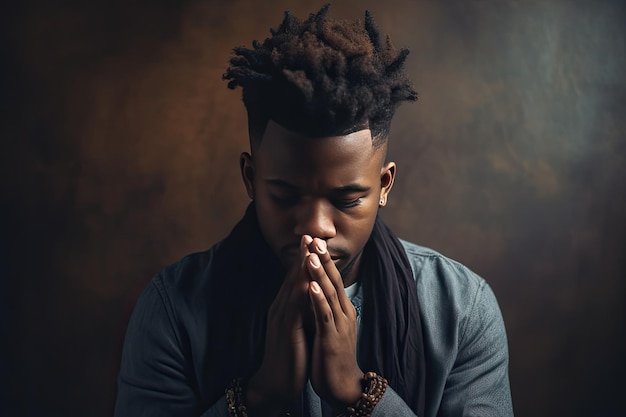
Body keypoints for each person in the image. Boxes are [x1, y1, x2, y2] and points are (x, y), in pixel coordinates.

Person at [114, 5, 513, 417]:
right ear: (250, 178)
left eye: (346, 200)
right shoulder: (172, 310)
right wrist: (260, 397)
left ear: (384, 186)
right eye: (286, 196)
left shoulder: (463, 310)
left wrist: (360, 393)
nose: (314, 228)